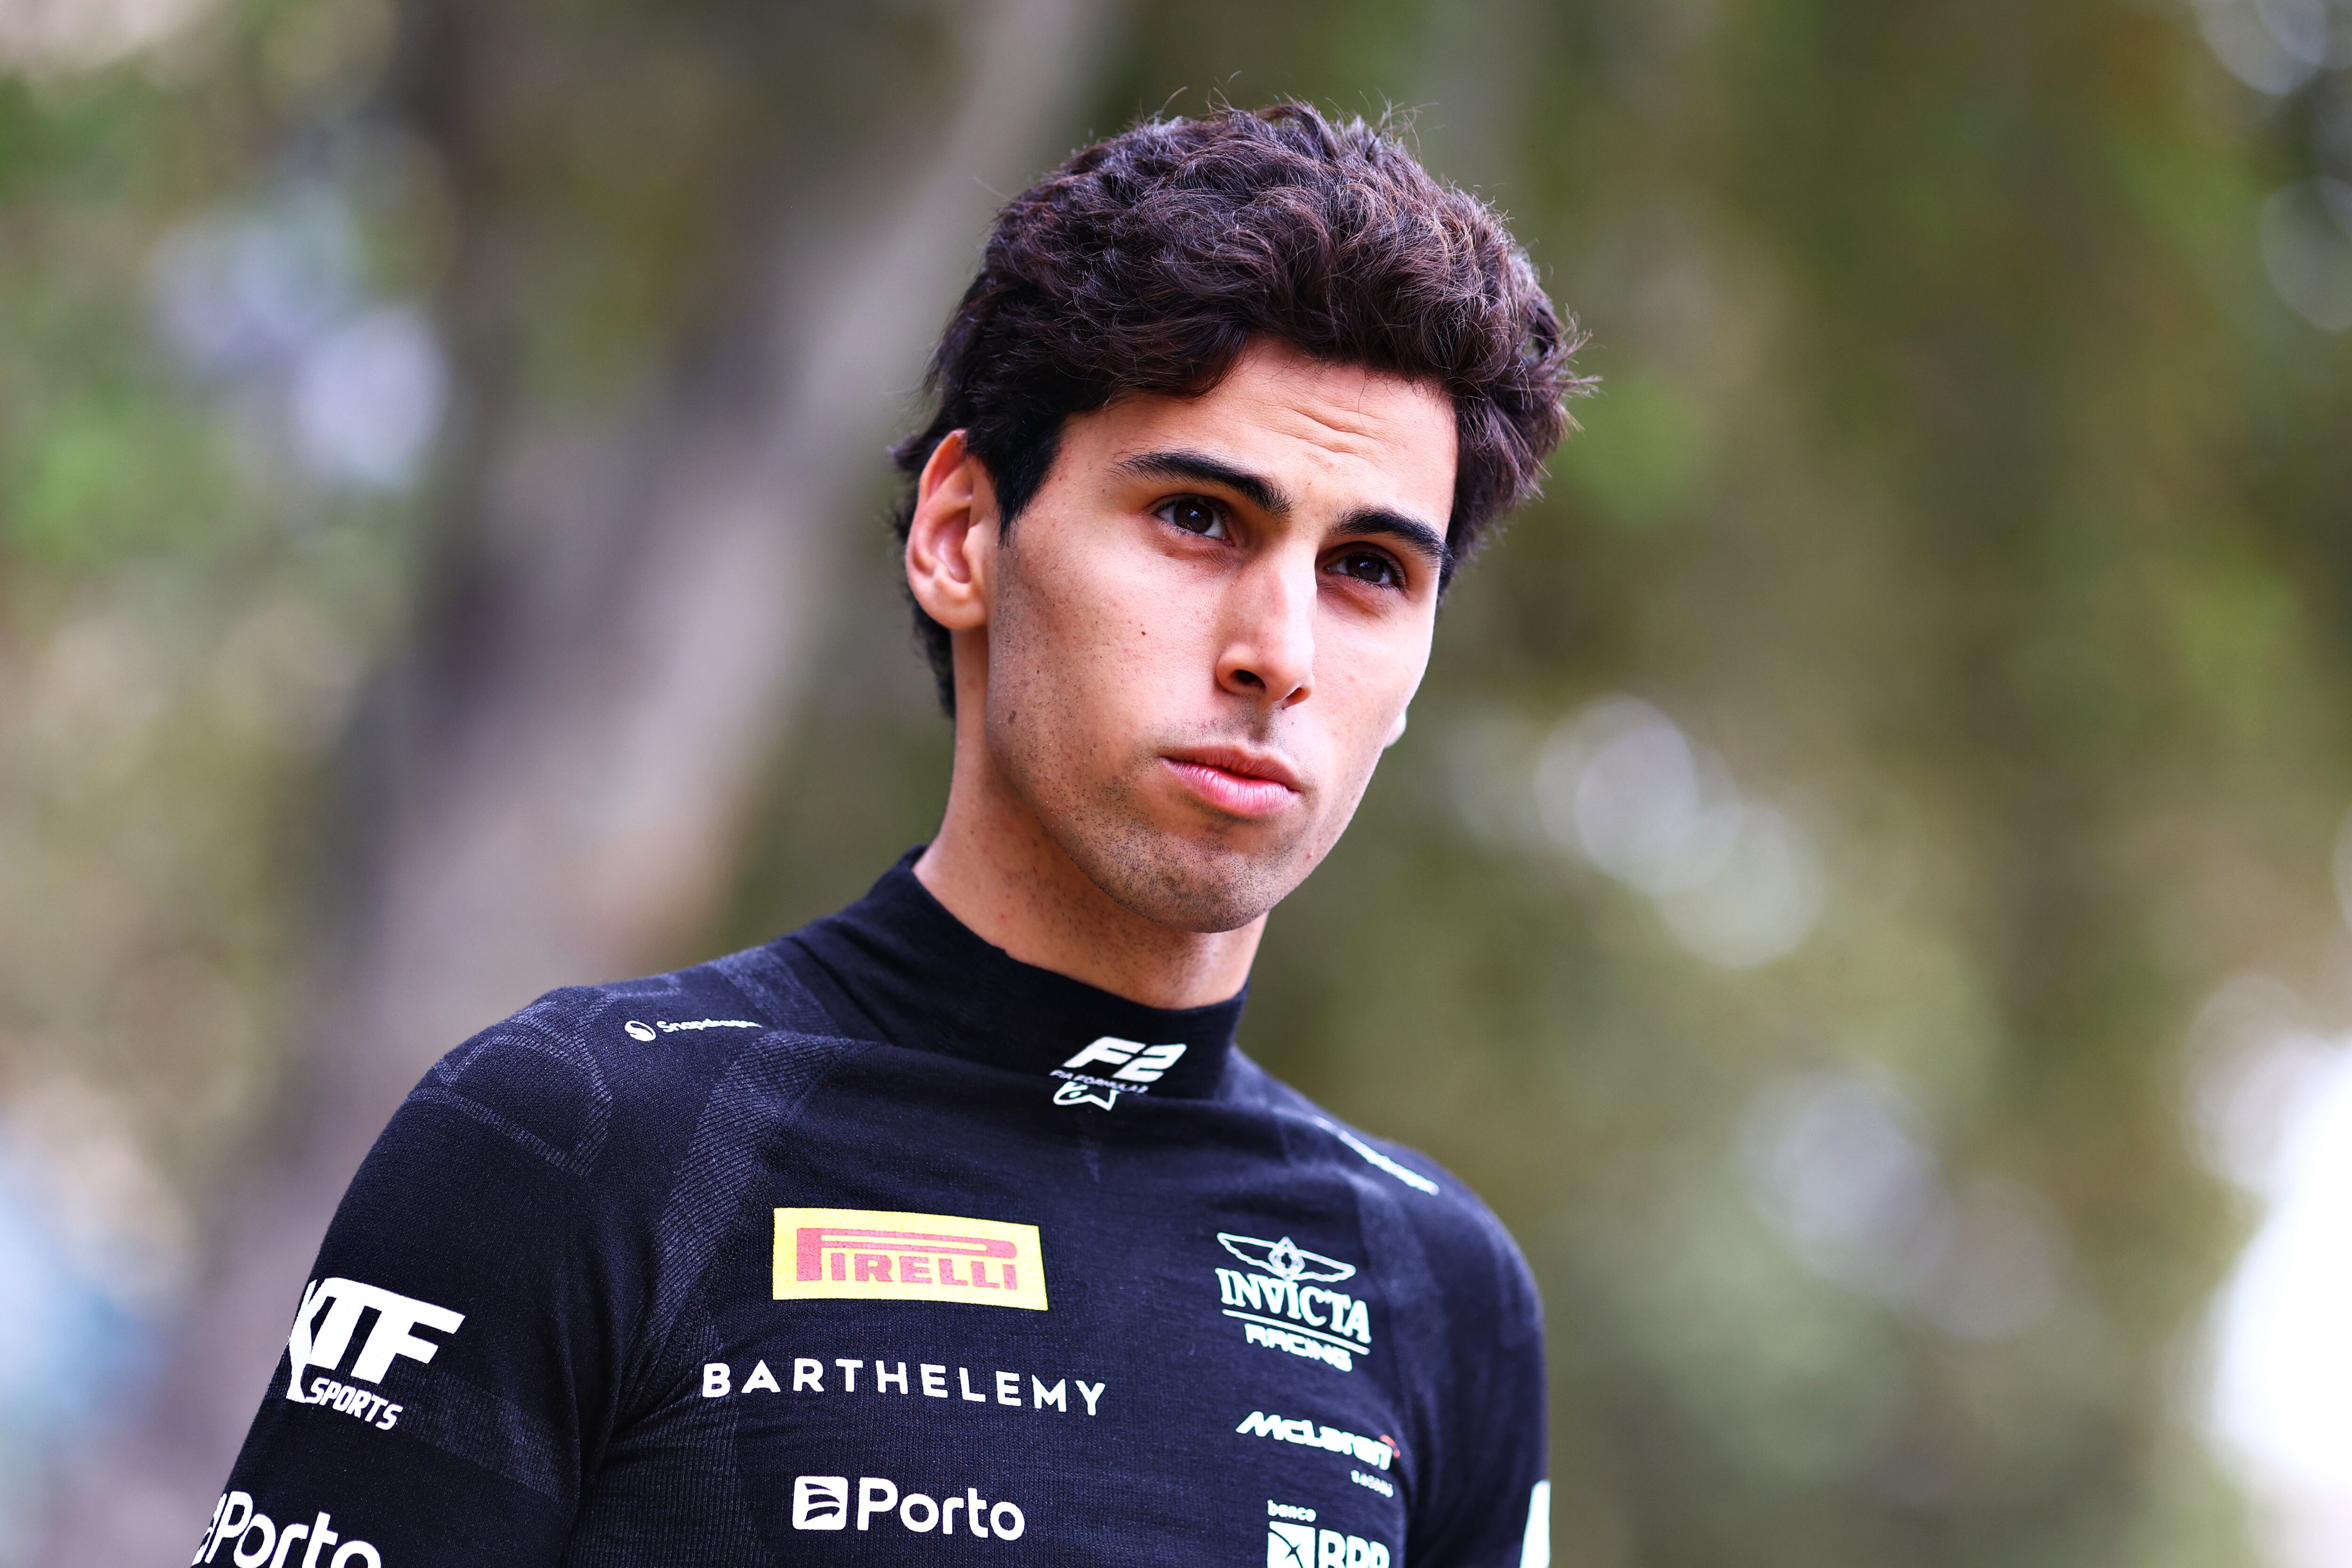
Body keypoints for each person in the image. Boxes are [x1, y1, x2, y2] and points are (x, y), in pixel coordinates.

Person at [195, 102, 1582, 1568]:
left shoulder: (1439, 1294)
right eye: (1197, 518)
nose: (1277, 651)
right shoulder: (571, 1142)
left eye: (1369, 569)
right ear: (961, 536)